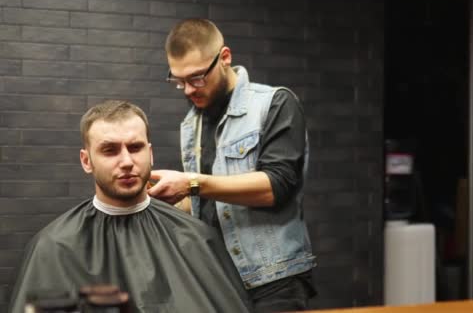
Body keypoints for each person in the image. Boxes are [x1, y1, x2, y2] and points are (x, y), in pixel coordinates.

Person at [9, 100, 252, 313]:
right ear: (86, 161)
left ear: (150, 153)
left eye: (135, 148)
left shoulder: (196, 238)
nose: (126, 161)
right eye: (109, 150)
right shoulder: (55, 247)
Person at [147, 18, 316, 312]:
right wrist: (157, 200)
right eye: (179, 81)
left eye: (197, 78)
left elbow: (276, 186)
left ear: (224, 58)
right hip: (217, 279)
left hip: (274, 280)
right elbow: (210, 204)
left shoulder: (274, 103)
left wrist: (192, 183)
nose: (188, 90)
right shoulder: (192, 123)